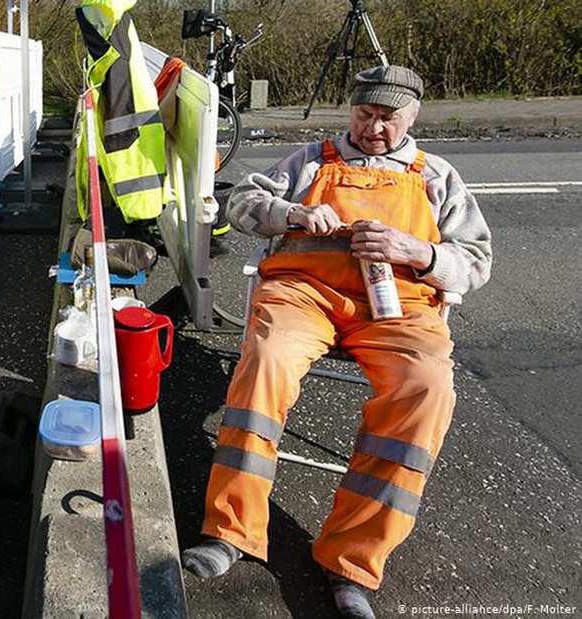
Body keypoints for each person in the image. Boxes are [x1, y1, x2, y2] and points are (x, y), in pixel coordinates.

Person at [181, 66, 491, 618]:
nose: (373, 128)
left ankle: (351, 561)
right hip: (305, 295)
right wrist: (293, 212)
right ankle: (231, 529)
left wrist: (418, 253)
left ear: (412, 116)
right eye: (364, 115)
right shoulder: (309, 160)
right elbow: (240, 203)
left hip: (398, 309)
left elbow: (476, 261)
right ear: (352, 111)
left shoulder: (437, 175)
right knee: (266, 360)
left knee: (426, 389)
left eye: (387, 119)